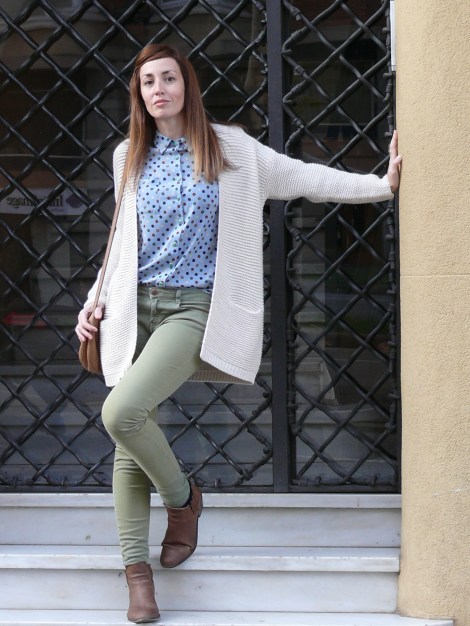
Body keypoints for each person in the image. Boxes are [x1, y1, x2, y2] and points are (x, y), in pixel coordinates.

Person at [76, 43, 402, 623]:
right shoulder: (129, 154)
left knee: (121, 414)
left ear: (187, 84)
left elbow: (302, 176)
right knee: (131, 437)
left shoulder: (233, 149)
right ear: (139, 94)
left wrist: (380, 185)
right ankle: (137, 575)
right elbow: (121, 241)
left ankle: (183, 501)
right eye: (148, 81)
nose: (158, 90)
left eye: (168, 78)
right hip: (131, 307)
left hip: (192, 309)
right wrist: (92, 301)